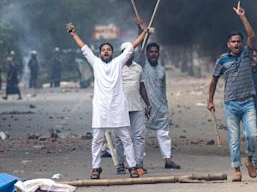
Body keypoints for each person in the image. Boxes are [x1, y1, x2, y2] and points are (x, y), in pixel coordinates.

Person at [67, 22, 149, 179]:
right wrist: (74, 34)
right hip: (101, 108)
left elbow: (132, 46)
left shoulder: (118, 62)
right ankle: (96, 168)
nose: (106, 52)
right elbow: (83, 48)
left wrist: (143, 33)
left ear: (113, 53)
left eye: (108, 50)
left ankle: (132, 166)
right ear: (99, 54)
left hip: (118, 107)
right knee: (97, 140)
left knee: (126, 138)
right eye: (103, 50)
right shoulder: (95, 63)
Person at [208, 2, 257, 182]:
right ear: (228, 44)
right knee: (234, 139)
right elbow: (213, 80)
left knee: (253, 135)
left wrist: (242, 16)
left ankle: (250, 160)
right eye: (233, 42)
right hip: (230, 104)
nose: (237, 44)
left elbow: (252, 35)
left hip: (248, 102)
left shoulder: (246, 53)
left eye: (239, 41)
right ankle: (236, 169)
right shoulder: (222, 60)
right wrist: (210, 100)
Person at [134, 35, 181, 170]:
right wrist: (142, 32)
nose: (153, 54)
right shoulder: (142, 65)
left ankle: (168, 160)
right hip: (145, 107)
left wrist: (165, 105)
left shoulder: (161, 69)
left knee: (164, 135)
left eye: (156, 52)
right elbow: (139, 49)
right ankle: (138, 163)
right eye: (151, 52)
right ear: (147, 54)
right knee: (141, 136)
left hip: (161, 107)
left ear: (158, 54)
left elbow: (163, 88)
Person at [115, 42, 152, 176]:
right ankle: (120, 164)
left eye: (131, 52)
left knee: (139, 136)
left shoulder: (138, 68)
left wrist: (148, 104)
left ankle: (138, 164)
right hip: (120, 107)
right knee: (120, 138)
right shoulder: (116, 67)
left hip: (137, 106)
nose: (129, 54)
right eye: (126, 52)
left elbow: (142, 87)